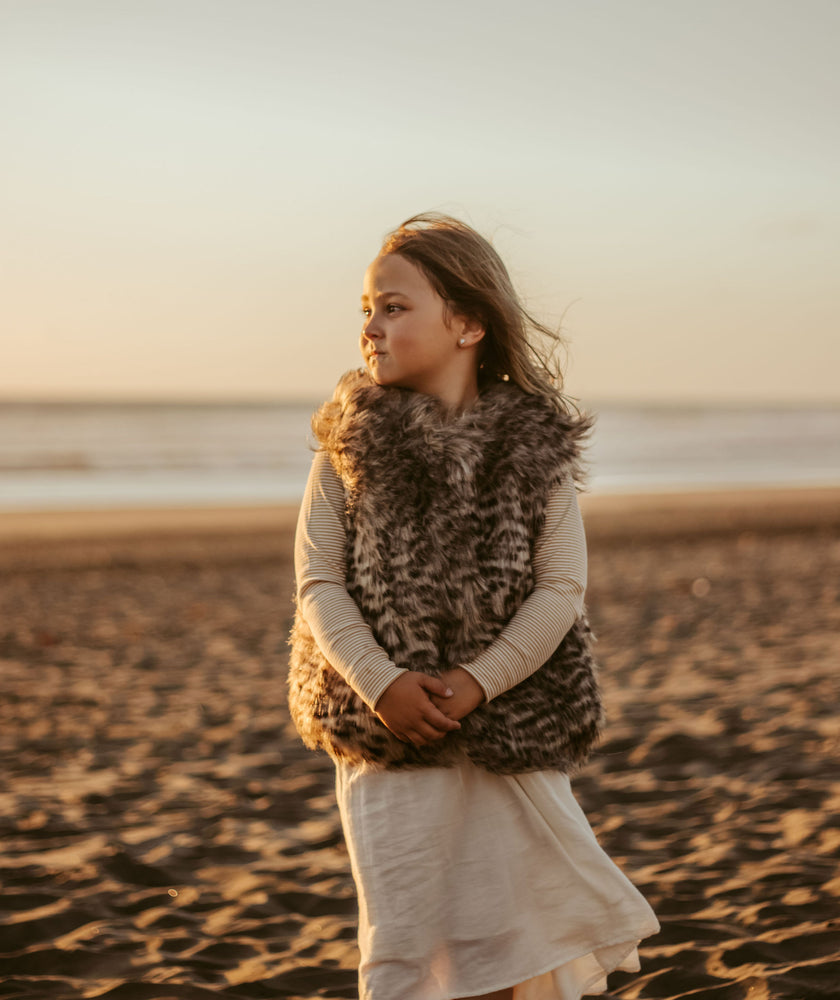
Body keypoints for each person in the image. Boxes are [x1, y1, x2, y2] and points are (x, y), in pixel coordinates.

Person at [288, 213, 659, 999]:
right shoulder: (348, 444)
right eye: (366, 307)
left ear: (467, 322)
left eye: (393, 306)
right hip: (389, 744)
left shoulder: (533, 451)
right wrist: (379, 681)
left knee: (511, 944)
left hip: (506, 733)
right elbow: (320, 581)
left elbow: (561, 588)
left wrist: (482, 679)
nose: (370, 326)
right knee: (408, 951)